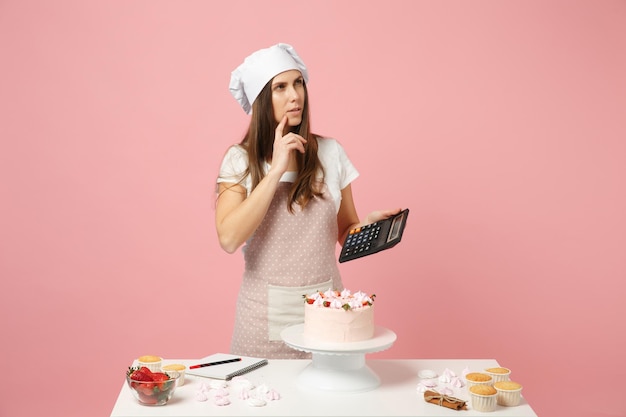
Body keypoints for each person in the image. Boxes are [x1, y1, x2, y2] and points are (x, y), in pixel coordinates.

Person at [215, 43, 401, 359]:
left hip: (328, 315)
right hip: (261, 320)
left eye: (298, 82)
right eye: (281, 87)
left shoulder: (331, 153)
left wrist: (366, 227)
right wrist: (274, 171)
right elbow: (229, 238)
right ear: (262, 100)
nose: (295, 95)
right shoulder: (240, 160)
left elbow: (345, 232)